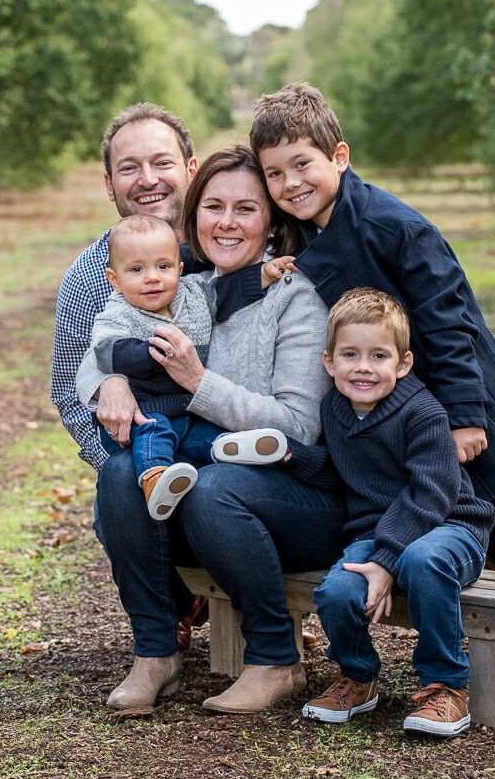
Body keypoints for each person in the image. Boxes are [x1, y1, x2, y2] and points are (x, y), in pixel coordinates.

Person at [248, 83, 495, 583]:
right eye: (274, 173)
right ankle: (467, 628)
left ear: (339, 157)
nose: (290, 183)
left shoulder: (397, 229)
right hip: (396, 405)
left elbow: (449, 325)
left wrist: (465, 416)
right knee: (440, 515)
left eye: (302, 164)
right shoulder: (297, 233)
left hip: (462, 397)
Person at [93, 145, 344, 711]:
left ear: (272, 220)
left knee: (213, 487)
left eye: (246, 209)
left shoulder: (295, 300)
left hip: (295, 497)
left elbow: (299, 427)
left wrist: (198, 380)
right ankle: (156, 654)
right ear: (193, 215)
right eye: (213, 206)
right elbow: (110, 343)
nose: (226, 222)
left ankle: (277, 659)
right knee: (117, 475)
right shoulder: (184, 288)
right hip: (207, 489)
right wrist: (109, 381)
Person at [51, 104, 272, 653]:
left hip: (232, 437)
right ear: (109, 184)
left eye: (161, 162)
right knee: (121, 485)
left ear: (191, 167)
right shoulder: (90, 275)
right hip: (150, 441)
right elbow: (68, 385)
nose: (147, 180)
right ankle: (163, 632)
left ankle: (258, 619)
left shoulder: (228, 244)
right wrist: (114, 401)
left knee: (222, 485)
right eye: (129, 167)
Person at [296, 288, 495, 737]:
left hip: (450, 525)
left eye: (378, 355)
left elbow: (432, 492)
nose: (363, 367)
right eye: (350, 354)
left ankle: (446, 686)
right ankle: (358, 676)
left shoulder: (422, 413)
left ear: (402, 364)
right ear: (329, 362)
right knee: (337, 592)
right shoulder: (335, 408)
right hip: (378, 531)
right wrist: (288, 455)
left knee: (421, 561)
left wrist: (386, 559)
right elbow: (337, 470)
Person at [75, 213, 295, 520]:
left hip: (193, 405)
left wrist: (264, 275)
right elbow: (107, 352)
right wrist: (155, 352)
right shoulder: (117, 313)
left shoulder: (194, 292)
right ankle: (155, 480)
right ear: (114, 278)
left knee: (206, 434)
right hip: (151, 405)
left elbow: (229, 290)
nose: (152, 277)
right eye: (137, 269)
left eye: (163, 267)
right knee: (154, 436)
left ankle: (232, 448)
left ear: (179, 268)